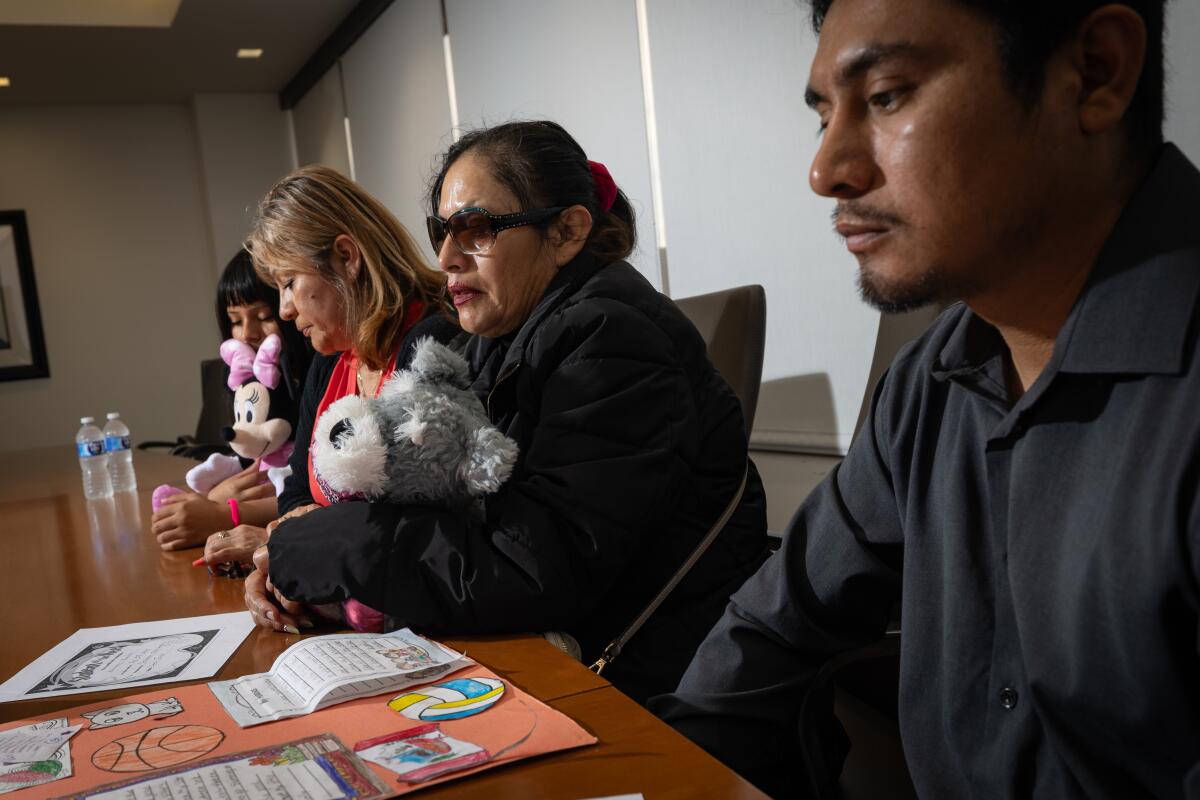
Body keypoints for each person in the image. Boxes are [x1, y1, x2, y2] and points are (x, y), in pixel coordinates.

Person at [651, 0, 1200, 797]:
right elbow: (776, 628)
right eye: (823, 116)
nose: (826, 171)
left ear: (1095, 74)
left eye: (887, 96)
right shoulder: (931, 378)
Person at [244, 121, 769, 703]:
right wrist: (309, 553)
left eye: (475, 229)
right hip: (552, 662)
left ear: (567, 231)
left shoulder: (612, 338)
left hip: (652, 698)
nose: (445, 256)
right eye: (441, 231)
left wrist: (334, 544)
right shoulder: (507, 334)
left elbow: (536, 569)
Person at [203, 165, 460, 571]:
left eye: (289, 283)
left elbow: (408, 519)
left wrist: (287, 546)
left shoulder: (433, 344)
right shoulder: (328, 364)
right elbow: (294, 492)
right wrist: (287, 554)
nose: (285, 310)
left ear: (346, 256)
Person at [151, 251, 312, 551]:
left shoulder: (314, 384)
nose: (248, 333)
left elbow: (308, 497)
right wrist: (217, 499)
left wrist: (223, 512)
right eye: (235, 321)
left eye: (263, 317)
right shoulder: (246, 383)